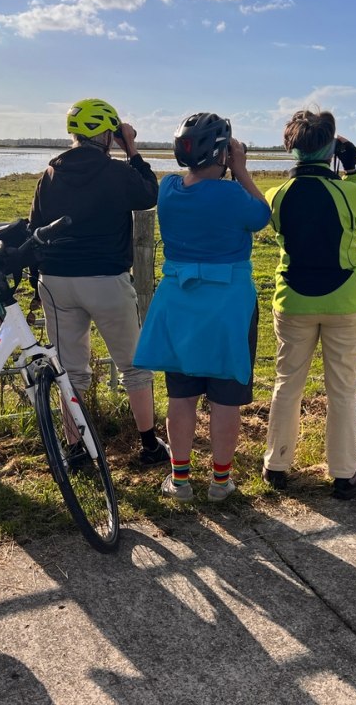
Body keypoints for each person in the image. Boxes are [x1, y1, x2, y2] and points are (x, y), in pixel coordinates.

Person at [134, 113, 270, 502]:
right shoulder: (231, 195)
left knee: (181, 395)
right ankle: (220, 481)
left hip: (179, 302)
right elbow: (262, 215)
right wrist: (241, 171)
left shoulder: (169, 188)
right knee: (226, 396)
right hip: (229, 305)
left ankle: (179, 480)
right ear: (222, 152)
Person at [28, 98, 168, 466]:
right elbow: (148, 195)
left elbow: (34, 226)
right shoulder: (116, 172)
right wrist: (132, 150)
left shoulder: (51, 173)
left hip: (56, 279)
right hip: (105, 278)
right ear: (108, 133)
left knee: (70, 370)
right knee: (133, 365)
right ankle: (149, 445)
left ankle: (76, 448)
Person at [262, 108, 356, 500]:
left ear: (290, 147)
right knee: (342, 389)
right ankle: (344, 474)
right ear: (331, 147)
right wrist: (353, 168)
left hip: (292, 299)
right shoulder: (347, 192)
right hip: (345, 299)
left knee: (287, 383)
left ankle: (276, 465)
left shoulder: (276, 196)